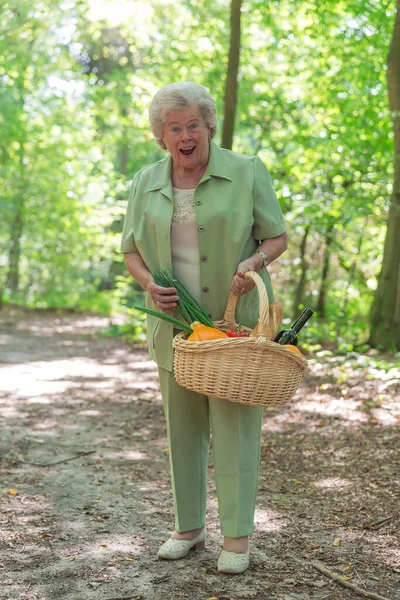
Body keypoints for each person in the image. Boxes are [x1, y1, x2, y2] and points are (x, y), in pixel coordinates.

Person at [120, 82, 287, 574]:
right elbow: (130, 248)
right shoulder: (145, 182)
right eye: (174, 127)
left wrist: (252, 261)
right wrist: (149, 283)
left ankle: (236, 538)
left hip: (233, 327)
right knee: (183, 429)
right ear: (161, 135)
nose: (185, 135)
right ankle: (188, 529)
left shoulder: (246, 170)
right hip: (176, 327)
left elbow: (276, 236)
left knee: (235, 429)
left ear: (209, 126)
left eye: (193, 124)